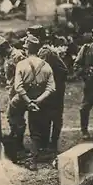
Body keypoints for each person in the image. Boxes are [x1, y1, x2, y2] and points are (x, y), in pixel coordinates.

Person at [12, 35, 56, 170]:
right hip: (39, 99)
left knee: (13, 113)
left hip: (24, 99)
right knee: (36, 126)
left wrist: (28, 101)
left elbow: (18, 87)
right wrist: (38, 100)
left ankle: (17, 147)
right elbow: (52, 88)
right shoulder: (46, 66)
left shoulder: (21, 64)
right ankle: (37, 154)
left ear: (26, 49)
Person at [29, 28, 69, 156]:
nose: (27, 41)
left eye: (30, 38)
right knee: (45, 116)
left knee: (54, 116)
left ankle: (52, 144)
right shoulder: (41, 52)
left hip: (55, 89)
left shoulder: (46, 53)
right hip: (50, 88)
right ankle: (45, 145)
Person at [0, 36, 26, 156]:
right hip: (13, 90)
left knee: (15, 116)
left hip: (19, 91)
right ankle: (15, 138)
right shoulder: (8, 56)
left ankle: (19, 144)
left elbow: (26, 74)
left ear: (3, 48)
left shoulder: (17, 56)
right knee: (12, 117)